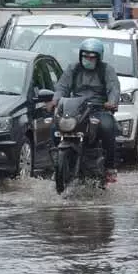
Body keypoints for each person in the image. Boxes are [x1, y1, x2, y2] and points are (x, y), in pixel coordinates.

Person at [48, 38, 120, 183]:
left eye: (92, 57)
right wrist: (55, 100)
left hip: (99, 109)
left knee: (107, 127)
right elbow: (62, 87)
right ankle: (57, 163)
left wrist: (111, 102)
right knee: (55, 127)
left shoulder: (106, 70)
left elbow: (113, 88)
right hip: (76, 108)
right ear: (80, 55)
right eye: (85, 56)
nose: (88, 59)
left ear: (98, 57)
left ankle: (109, 168)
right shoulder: (73, 69)